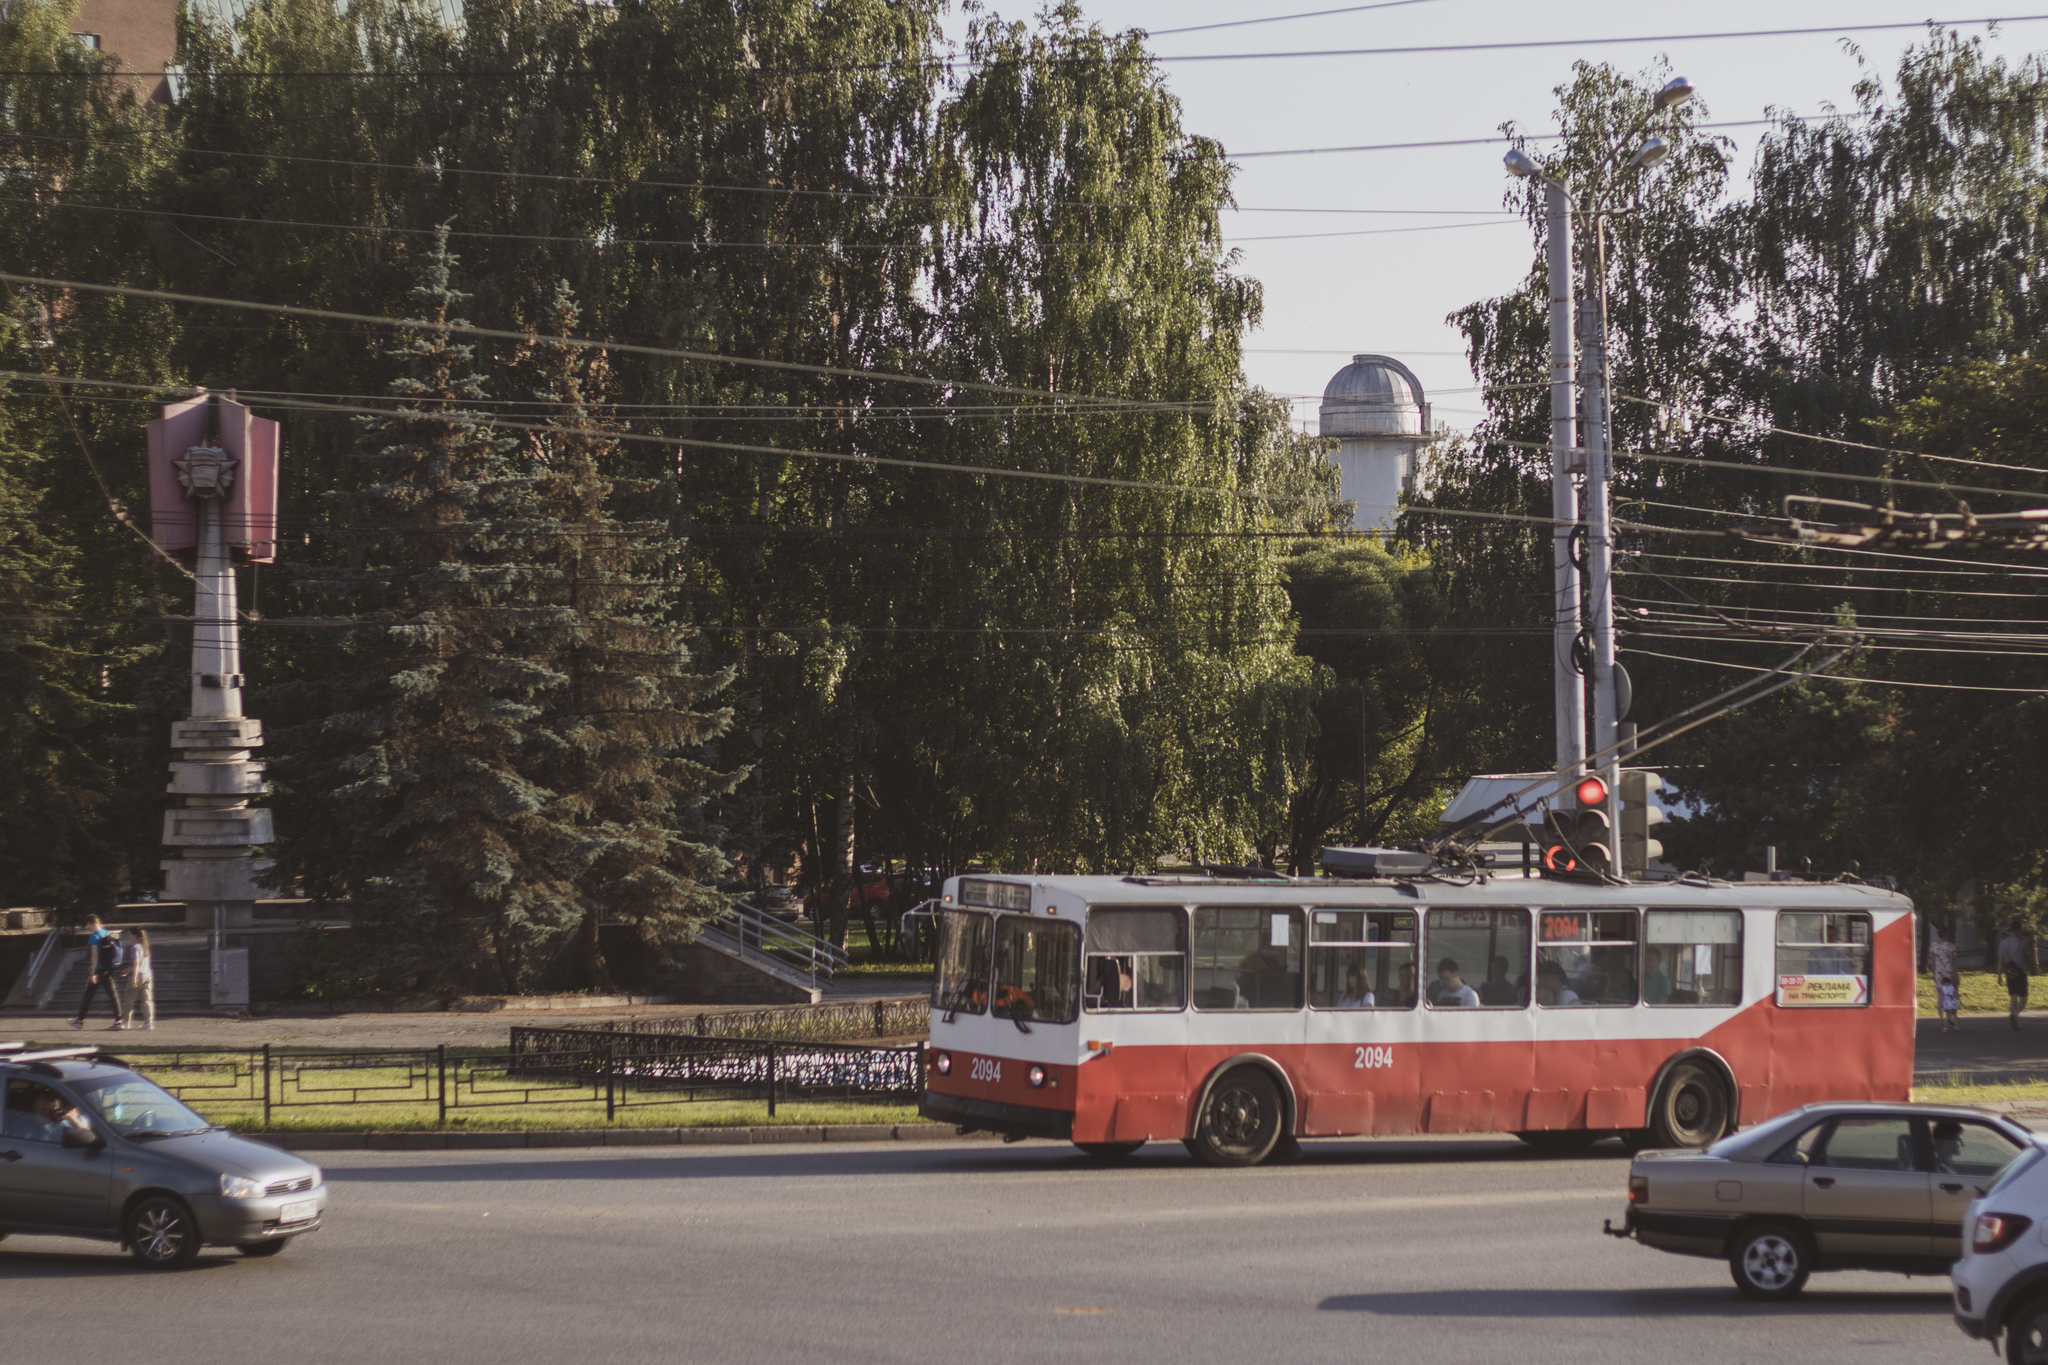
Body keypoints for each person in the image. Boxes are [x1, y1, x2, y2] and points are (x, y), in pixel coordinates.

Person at [69, 915, 125, 1030]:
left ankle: (79, 1021)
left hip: (99, 969)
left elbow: (95, 955)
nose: (87, 927)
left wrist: (93, 972)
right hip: (109, 967)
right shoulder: (106, 933)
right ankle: (119, 1021)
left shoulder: (93, 937)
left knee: (88, 995)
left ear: (92, 923)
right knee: (112, 994)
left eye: (88, 925)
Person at [120, 928, 155, 1031]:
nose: (129, 937)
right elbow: (142, 962)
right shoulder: (144, 946)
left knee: (129, 999)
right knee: (146, 1000)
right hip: (147, 975)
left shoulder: (135, 947)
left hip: (138, 975)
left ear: (135, 936)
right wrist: (127, 970)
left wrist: (133, 978)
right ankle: (148, 1023)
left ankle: (126, 1022)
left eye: (130, 935)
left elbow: (136, 964)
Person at [1999, 921, 2032, 1031]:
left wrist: (1999, 975)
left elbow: (2000, 961)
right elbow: (2027, 957)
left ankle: (2014, 1021)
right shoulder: (2023, 943)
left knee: (2013, 998)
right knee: (2023, 999)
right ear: (2018, 930)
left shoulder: (2003, 943)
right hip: (2021, 973)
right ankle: (2015, 1015)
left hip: (2009, 973)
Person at [1930, 923, 1961, 1032]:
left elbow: (1933, 962)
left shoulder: (1934, 946)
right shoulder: (1950, 946)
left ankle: (1942, 1019)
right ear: (1946, 934)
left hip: (1938, 972)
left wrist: (1934, 973)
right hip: (1948, 971)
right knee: (1951, 994)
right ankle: (1952, 1017)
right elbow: (1952, 961)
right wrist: (1956, 974)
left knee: (1940, 996)